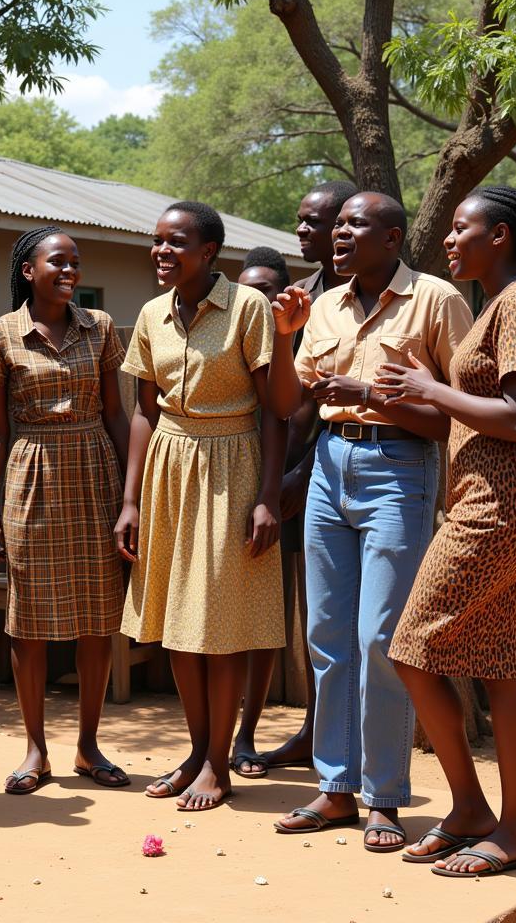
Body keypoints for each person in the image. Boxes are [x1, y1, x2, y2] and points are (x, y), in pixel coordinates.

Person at [267, 191, 473, 851]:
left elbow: (457, 415)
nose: (339, 234)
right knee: (326, 636)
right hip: (329, 467)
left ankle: (384, 796)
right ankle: (335, 789)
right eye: (339, 225)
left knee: (382, 637)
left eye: (355, 224)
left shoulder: (435, 301)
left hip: (398, 468)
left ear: (392, 236)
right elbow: (284, 400)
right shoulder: (322, 303)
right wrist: (282, 334)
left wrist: (367, 394)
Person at [376, 186, 516, 877]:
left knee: (412, 647)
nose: (449, 240)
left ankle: (483, 814)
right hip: (499, 498)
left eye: (461, 228)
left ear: (501, 235)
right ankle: (506, 825)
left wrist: (430, 392)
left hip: (501, 502)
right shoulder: (500, 305)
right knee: (500, 663)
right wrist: (432, 382)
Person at [115, 201, 286, 811]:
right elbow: (142, 409)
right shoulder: (150, 314)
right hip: (168, 467)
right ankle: (196, 752)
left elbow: (274, 409)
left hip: (232, 465)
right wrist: (129, 499)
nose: (162, 252)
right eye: (156, 241)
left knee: (221, 623)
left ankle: (220, 760)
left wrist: (269, 496)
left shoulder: (249, 307)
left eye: (176, 242)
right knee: (177, 625)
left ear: (209, 251)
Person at [0, 227, 131, 794]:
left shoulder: (102, 327)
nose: (69, 272)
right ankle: (35, 749)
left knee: (96, 614)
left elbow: (117, 414)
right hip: (29, 476)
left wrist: (129, 497)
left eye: (75, 264)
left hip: (94, 473)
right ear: (27, 271)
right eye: (57, 262)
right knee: (29, 619)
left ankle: (88, 746)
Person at [256, 181, 358, 774]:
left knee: (353, 622)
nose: (304, 232)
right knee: (313, 617)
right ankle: (314, 732)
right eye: (301, 222)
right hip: (293, 474)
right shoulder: (306, 295)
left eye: (314, 222)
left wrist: (304, 470)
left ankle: (348, 744)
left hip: (334, 470)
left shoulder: (361, 293)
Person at [230, 246, 291, 778]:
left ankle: (253, 732)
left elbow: (298, 415)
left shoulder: (299, 337)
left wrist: (280, 493)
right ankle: (232, 737)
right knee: (238, 614)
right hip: (235, 491)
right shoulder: (237, 336)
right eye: (246, 289)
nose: (256, 299)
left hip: (298, 491)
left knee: (275, 620)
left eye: (265, 289)